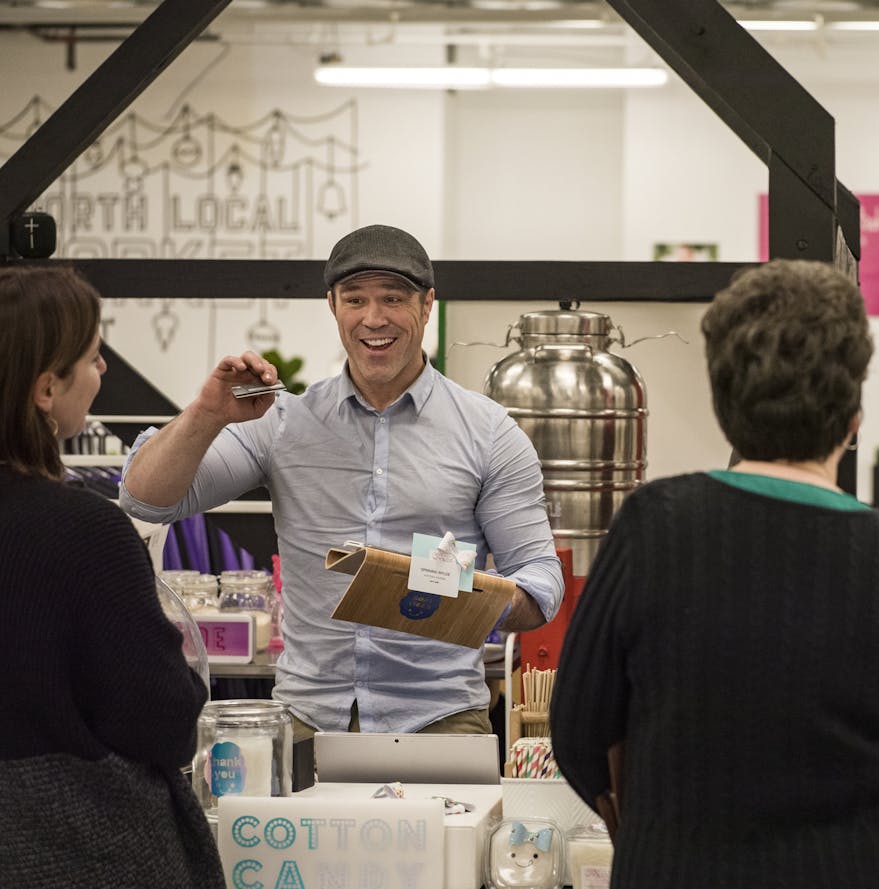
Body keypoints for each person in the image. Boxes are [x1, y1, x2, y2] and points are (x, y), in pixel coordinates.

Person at [551, 259, 879, 888]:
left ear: (722, 408)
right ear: (854, 419)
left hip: (685, 866)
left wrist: (645, 829)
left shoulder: (652, 528)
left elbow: (579, 728)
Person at [120, 224, 564, 738]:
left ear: (427, 306)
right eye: (356, 299)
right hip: (308, 715)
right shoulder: (280, 420)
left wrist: (465, 598)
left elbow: (540, 579)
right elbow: (145, 499)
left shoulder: (489, 433)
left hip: (439, 716)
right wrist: (207, 413)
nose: (373, 319)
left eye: (393, 299)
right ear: (333, 306)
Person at [0, 266, 223, 888]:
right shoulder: (85, 532)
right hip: (73, 845)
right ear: (47, 388)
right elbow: (159, 720)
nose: (102, 375)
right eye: (95, 360)